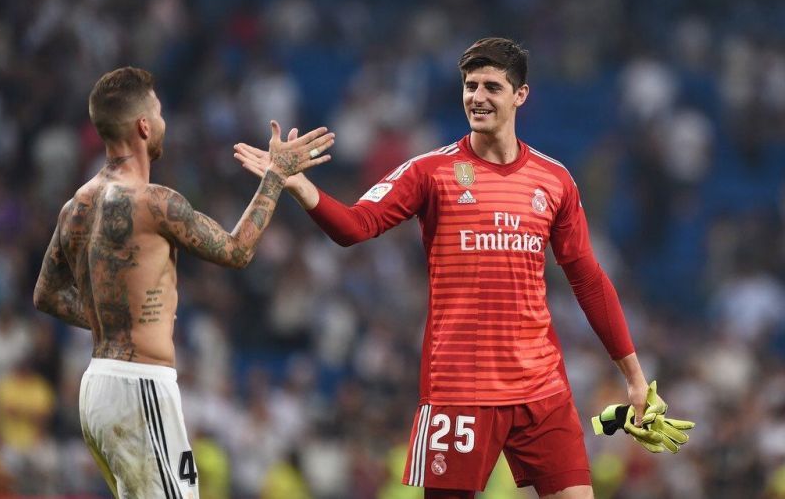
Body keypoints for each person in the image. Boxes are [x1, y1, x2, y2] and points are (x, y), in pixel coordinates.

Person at [233, 37, 676, 499]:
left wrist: (634, 376)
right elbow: (354, 226)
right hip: (459, 389)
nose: (477, 97)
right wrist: (297, 183)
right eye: (470, 86)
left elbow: (588, 279)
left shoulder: (554, 179)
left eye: (491, 86)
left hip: (541, 388)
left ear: (520, 95)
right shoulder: (431, 171)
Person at [32, 66, 334, 498]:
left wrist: (112, 322)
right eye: (158, 113)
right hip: (140, 387)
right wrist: (275, 176)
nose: (163, 123)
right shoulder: (155, 202)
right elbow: (237, 251)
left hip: (96, 387)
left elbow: (46, 294)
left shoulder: (75, 206)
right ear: (142, 125)